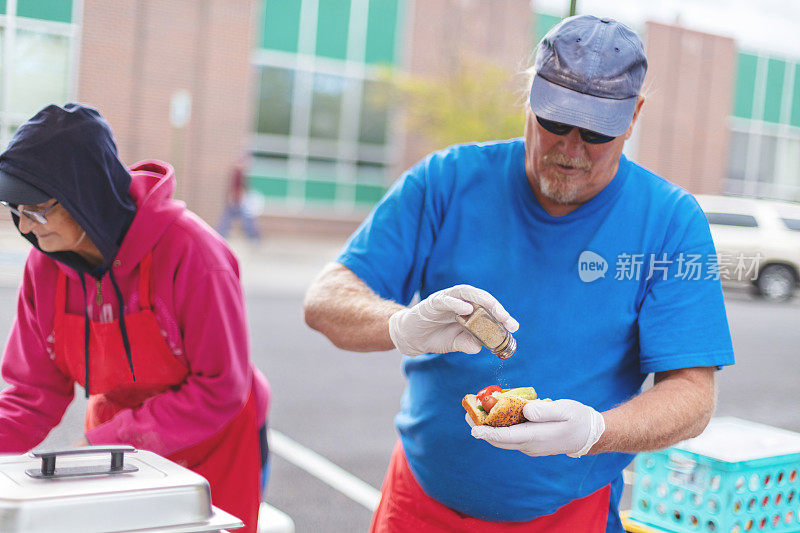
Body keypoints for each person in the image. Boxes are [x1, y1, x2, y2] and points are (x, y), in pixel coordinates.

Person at [303, 15, 735, 532]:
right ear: (530, 97)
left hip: (569, 516)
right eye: (555, 121)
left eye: (597, 130)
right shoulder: (447, 181)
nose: (571, 148)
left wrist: (595, 430)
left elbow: (693, 394)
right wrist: (402, 324)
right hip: (418, 504)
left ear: (634, 116)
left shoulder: (668, 221)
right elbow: (326, 298)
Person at [0, 103, 270, 533]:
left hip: (214, 444)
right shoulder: (43, 267)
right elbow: (33, 393)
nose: (27, 228)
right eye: (16, 211)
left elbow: (220, 389)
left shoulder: (196, 255)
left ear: (84, 192)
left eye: (37, 210)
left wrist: (99, 444)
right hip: (114, 447)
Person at [216, 154, 262, 241]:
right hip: (236, 201)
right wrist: (236, 199)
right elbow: (236, 187)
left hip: (237, 200)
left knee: (229, 220)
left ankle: (255, 237)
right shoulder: (238, 172)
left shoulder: (240, 173)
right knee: (244, 220)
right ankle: (255, 237)